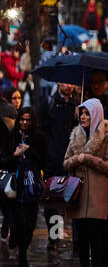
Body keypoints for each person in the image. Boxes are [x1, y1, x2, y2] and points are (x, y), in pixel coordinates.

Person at [64, 99, 108, 267]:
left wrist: (88, 159)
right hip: (79, 195)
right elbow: (65, 163)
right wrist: (76, 159)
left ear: (95, 114)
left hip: (99, 196)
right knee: (81, 240)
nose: (83, 117)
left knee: (97, 238)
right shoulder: (75, 136)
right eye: (81, 113)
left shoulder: (106, 136)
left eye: (87, 113)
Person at [2, 107, 48, 267]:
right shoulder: (11, 136)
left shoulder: (39, 138)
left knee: (30, 224)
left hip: (32, 185)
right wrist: (15, 155)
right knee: (18, 222)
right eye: (22, 119)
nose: (24, 122)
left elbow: (43, 161)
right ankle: (21, 252)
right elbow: (2, 161)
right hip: (14, 186)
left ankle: (23, 249)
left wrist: (29, 151)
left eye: (28, 119)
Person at [40, 83, 81, 246]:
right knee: (53, 201)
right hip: (53, 159)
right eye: (65, 83)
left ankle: (76, 238)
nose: (69, 86)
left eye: (71, 83)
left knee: (73, 199)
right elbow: (42, 130)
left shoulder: (78, 104)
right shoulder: (48, 103)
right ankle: (54, 236)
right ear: (58, 84)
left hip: (71, 159)